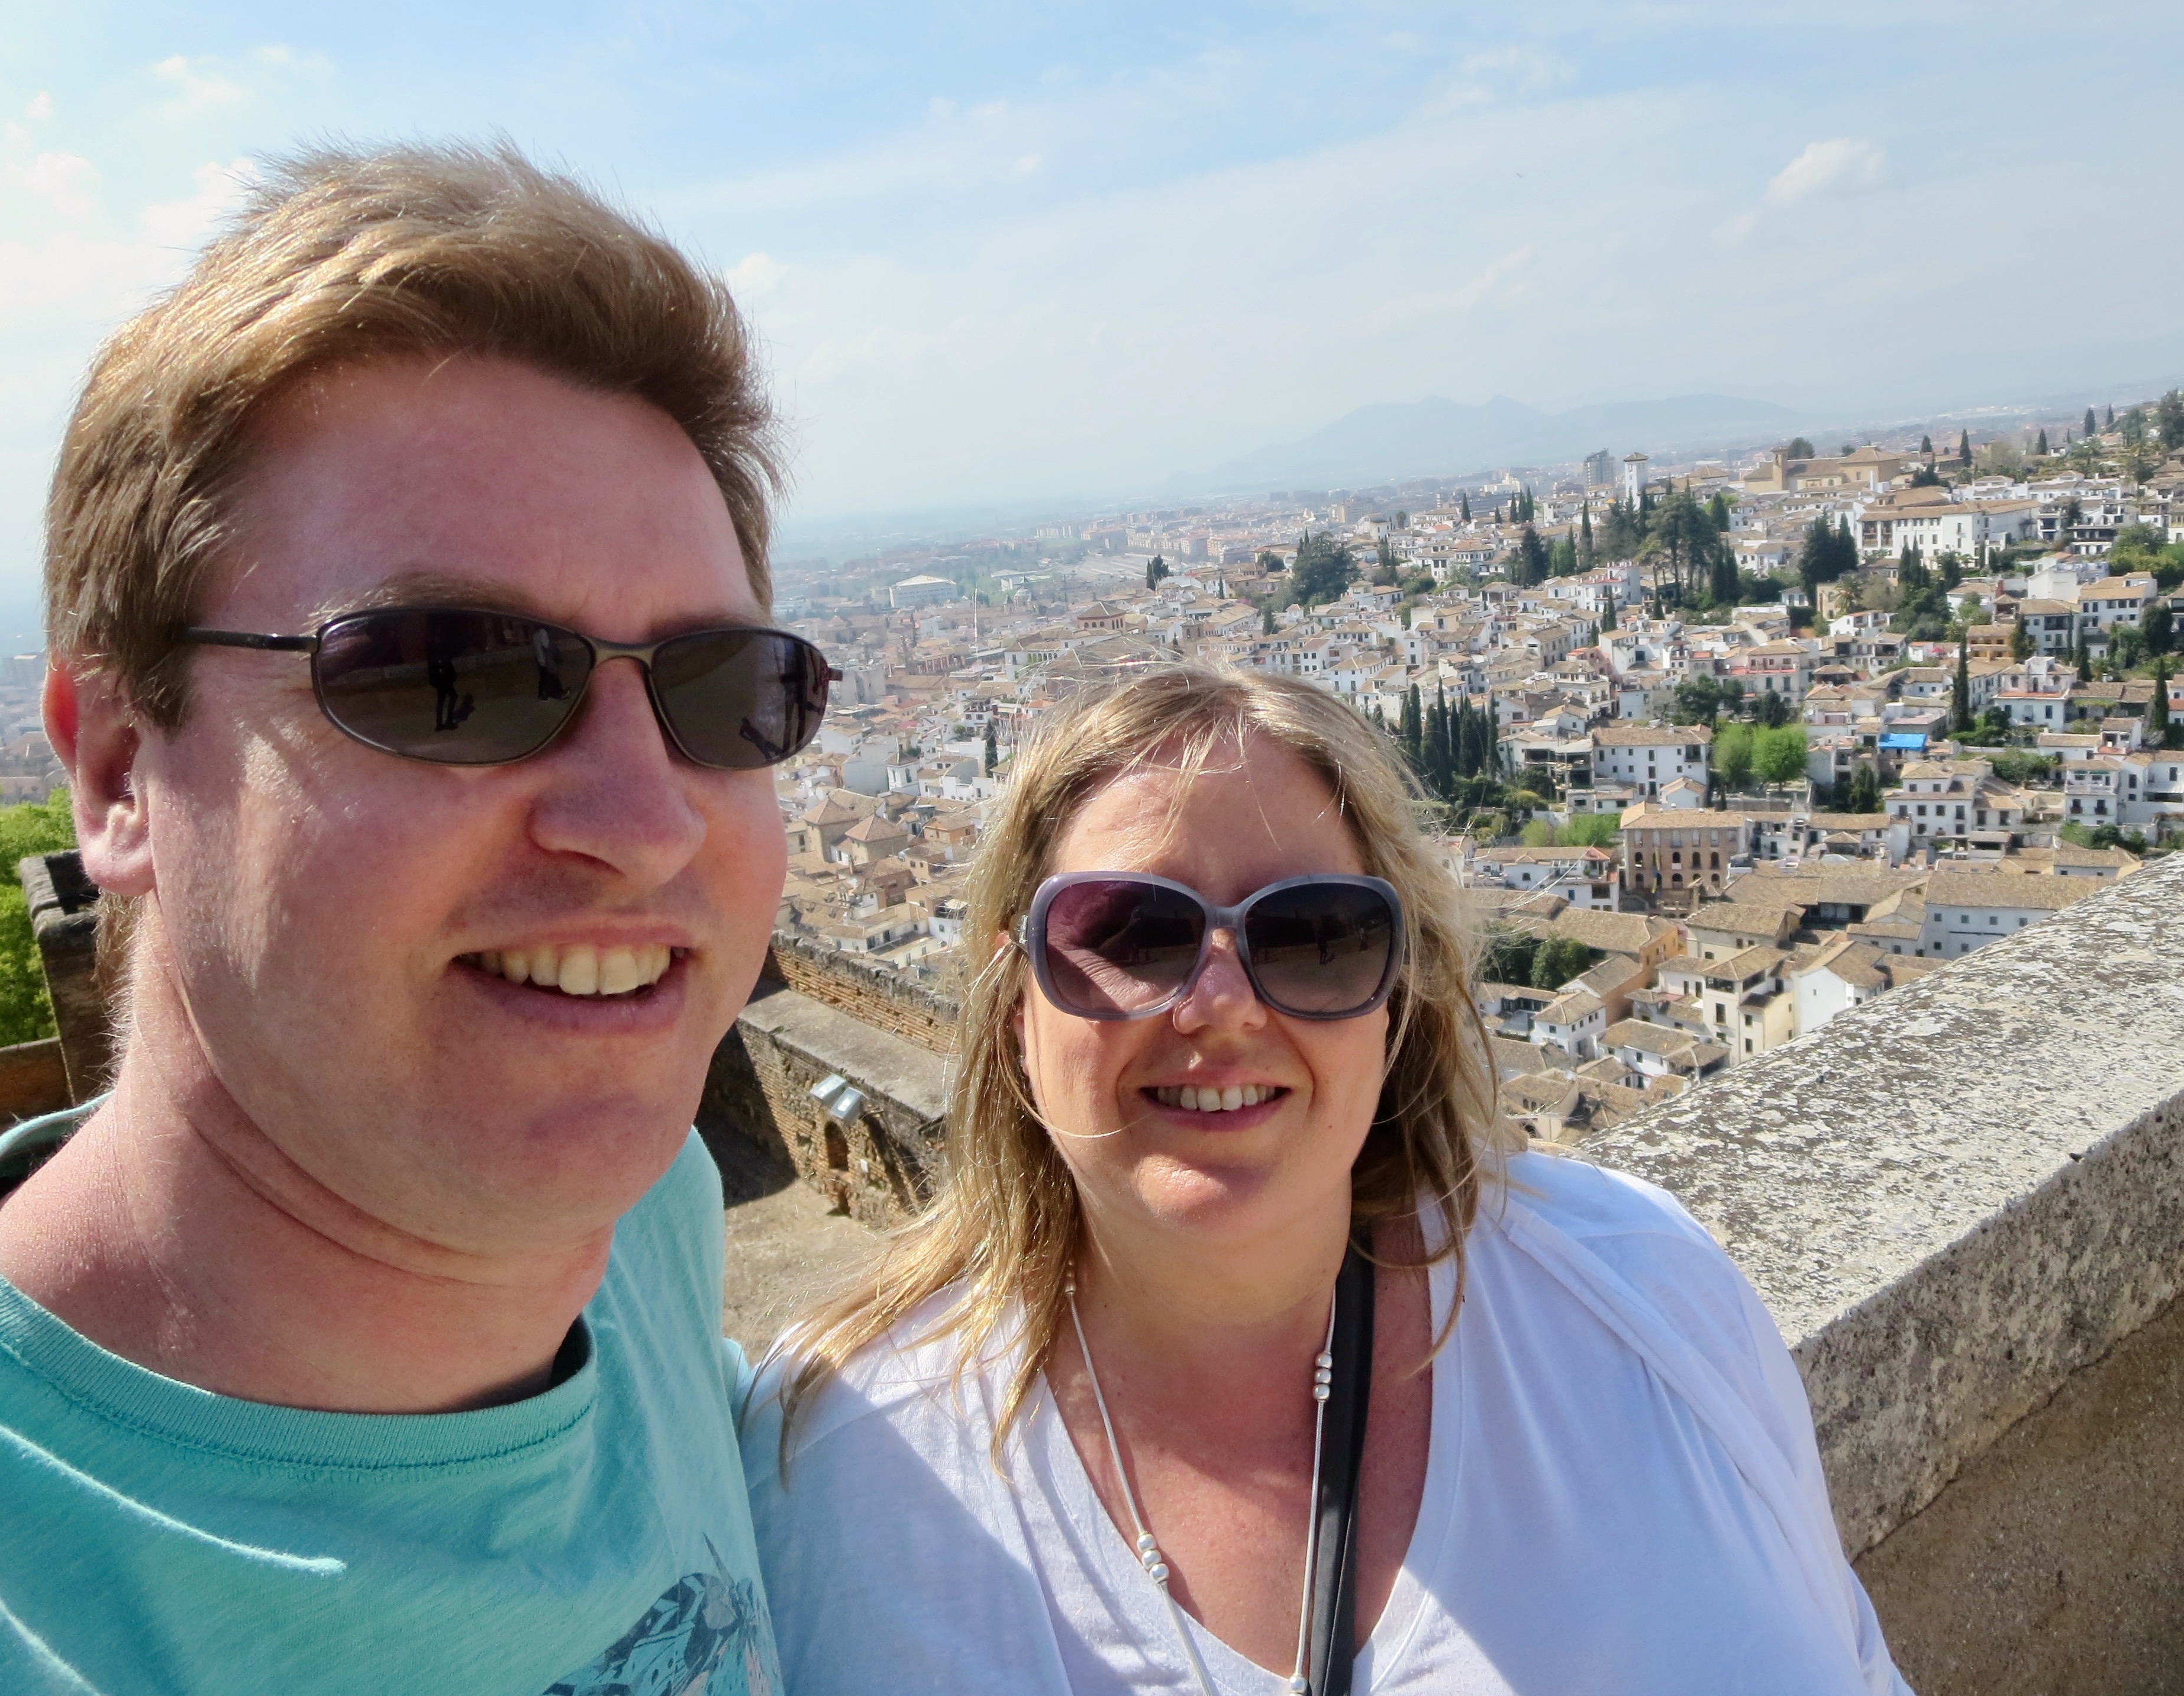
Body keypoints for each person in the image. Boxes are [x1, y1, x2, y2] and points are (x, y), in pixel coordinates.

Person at [0, 143, 833, 1693]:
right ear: (118, 770)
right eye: (452, 677)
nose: (646, 819)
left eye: (732, 692)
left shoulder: (648, 1231)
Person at [741, 666, 1910, 1694]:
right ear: (1013, 1008)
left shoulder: (1652, 1302)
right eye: (1131, 933)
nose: (1219, 1007)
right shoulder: (841, 1466)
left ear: (1391, 1001)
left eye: (1311, 935)